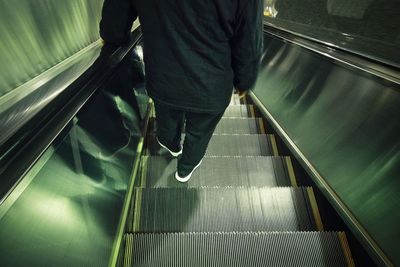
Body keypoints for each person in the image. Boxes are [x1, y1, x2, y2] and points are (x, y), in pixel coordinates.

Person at [100, 0, 263, 182]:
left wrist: (113, 36)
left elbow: (115, 20)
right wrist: (244, 80)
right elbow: (249, 36)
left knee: (167, 121)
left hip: (163, 80)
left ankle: (171, 145)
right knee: (200, 134)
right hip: (212, 86)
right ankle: (185, 169)